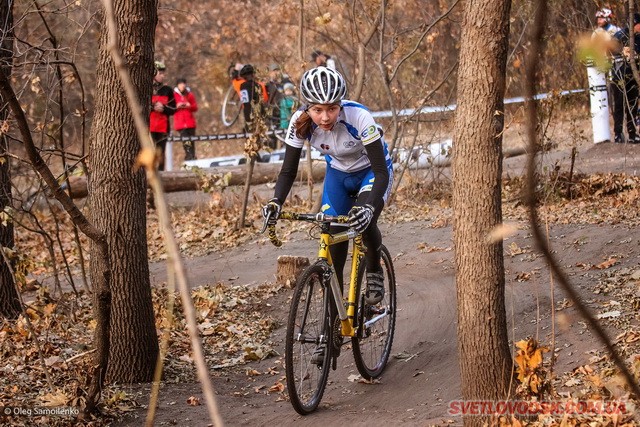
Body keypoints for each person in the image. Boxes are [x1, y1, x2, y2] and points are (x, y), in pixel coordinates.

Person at [262, 66, 393, 314]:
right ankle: (333, 322)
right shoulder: (299, 122)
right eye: (318, 110)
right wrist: (276, 201)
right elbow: (288, 171)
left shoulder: (359, 117)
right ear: (307, 107)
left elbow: (381, 172)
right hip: (339, 175)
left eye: (332, 108)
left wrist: (368, 206)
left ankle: (374, 269)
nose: (325, 117)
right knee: (334, 236)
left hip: (370, 171)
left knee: (365, 220)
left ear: (340, 105)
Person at [611, 13, 640, 144]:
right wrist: (622, 52)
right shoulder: (620, 36)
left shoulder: (639, 38)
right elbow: (609, 52)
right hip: (619, 77)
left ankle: (632, 134)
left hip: (633, 77)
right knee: (619, 106)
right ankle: (618, 134)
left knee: (632, 107)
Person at [150, 60, 176, 170]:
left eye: (163, 73)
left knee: (160, 155)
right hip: (148, 128)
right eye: (160, 73)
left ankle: (161, 179)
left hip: (163, 128)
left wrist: (163, 108)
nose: (163, 76)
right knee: (149, 155)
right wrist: (152, 107)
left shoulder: (167, 90)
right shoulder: (145, 88)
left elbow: (174, 109)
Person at [173, 77, 198, 160]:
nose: (182, 86)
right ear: (177, 85)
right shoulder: (174, 96)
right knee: (186, 142)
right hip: (180, 123)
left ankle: (192, 157)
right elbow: (170, 108)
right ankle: (189, 157)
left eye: (183, 84)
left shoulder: (189, 94)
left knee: (192, 142)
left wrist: (189, 105)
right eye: (180, 84)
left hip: (190, 122)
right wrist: (177, 106)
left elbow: (195, 107)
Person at [238, 64, 269, 133]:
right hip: (259, 114)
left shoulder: (243, 86)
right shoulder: (258, 85)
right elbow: (261, 101)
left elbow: (245, 102)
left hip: (249, 115)